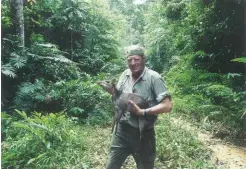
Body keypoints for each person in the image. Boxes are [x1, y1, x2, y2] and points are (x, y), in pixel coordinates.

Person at [105, 45, 172, 169]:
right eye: (129, 60)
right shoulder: (125, 75)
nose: (133, 63)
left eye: (136, 59)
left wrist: (142, 112)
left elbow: (167, 105)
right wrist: (113, 92)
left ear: (143, 59)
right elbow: (118, 99)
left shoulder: (154, 77)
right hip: (122, 132)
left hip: (144, 135)